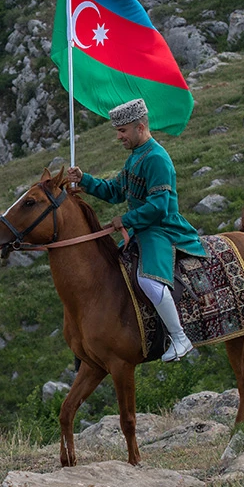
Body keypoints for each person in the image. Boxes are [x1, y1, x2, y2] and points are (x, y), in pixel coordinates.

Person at [67, 98, 206, 362]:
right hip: (143, 230)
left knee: (149, 281)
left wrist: (127, 219)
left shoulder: (156, 159)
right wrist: (85, 180)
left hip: (162, 229)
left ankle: (180, 338)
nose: (118, 136)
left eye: (122, 131)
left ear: (140, 127)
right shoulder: (136, 157)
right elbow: (115, 191)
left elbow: (160, 206)